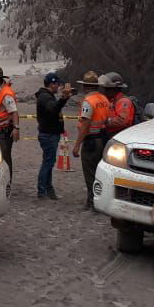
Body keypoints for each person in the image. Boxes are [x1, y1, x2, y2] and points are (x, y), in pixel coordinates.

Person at [72, 71, 110, 210]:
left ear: (85, 87)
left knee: (90, 172)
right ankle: (101, 199)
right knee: (100, 172)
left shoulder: (88, 102)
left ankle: (92, 201)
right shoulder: (104, 99)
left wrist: (77, 145)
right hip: (103, 138)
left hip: (91, 141)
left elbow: (85, 124)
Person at [35, 72, 74, 200]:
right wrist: (64, 98)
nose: (59, 86)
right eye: (58, 84)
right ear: (52, 84)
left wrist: (64, 97)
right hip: (49, 135)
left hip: (49, 134)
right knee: (48, 162)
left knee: (48, 162)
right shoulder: (45, 97)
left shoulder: (46, 96)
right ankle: (42, 190)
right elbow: (53, 110)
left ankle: (47, 189)